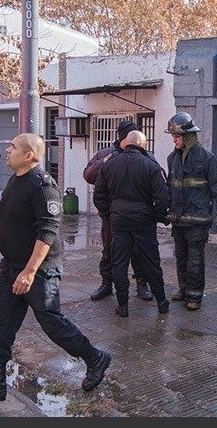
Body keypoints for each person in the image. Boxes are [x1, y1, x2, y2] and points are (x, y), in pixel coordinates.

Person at [0, 133, 111, 402]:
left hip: (39, 270)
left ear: (29, 155)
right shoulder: (13, 183)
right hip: (11, 267)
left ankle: (95, 358)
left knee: (52, 323)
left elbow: (48, 231)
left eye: (13, 147)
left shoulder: (43, 186)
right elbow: (3, 222)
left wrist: (29, 272)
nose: (7, 150)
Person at [93, 130, 171, 317]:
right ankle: (161, 301)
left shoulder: (109, 165)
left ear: (125, 143)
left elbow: (99, 196)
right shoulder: (151, 166)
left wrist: (108, 212)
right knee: (151, 262)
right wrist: (158, 216)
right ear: (142, 145)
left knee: (119, 264)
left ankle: (123, 306)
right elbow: (162, 197)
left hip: (119, 222)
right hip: (144, 221)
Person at [83, 120, 155, 302]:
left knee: (139, 252)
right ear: (123, 138)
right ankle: (106, 283)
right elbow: (89, 176)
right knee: (109, 251)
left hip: (139, 217)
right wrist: (106, 212)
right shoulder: (105, 154)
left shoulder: (145, 155)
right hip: (112, 216)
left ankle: (141, 283)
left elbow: (157, 180)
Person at [165, 112, 217, 311]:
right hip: (179, 219)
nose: (173, 139)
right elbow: (170, 187)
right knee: (181, 257)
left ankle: (194, 296)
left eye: (177, 136)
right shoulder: (172, 159)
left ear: (188, 136)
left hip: (198, 220)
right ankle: (183, 289)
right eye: (172, 136)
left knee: (195, 260)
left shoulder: (206, 158)